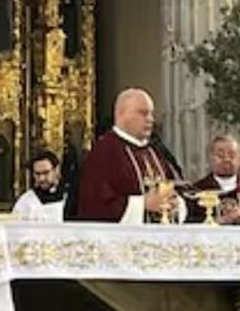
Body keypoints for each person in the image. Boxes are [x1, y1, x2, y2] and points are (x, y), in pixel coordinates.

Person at [76, 88, 184, 222]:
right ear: (121, 114)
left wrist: (175, 203)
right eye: (143, 113)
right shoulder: (104, 152)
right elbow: (96, 206)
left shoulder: (154, 151)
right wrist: (143, 204)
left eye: (151, 113)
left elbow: (175, 186)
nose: (150, 119)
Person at [190, 134, 240, 224]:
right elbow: (188, 223)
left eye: (232, 155)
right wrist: (219, 221)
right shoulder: (197, 190)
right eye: (220, 155)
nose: (226, 159)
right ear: (210, 159)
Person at [12, 150, 67, 222]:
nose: (41, 178)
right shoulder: (25, 201)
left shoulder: (69, 198)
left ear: (56, 170)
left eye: (46, 173)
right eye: (37, 174)